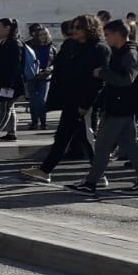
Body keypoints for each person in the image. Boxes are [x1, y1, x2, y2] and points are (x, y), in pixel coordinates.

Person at [24, 16, 110, 184]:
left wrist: (86, 104)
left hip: (85, 100)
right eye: (74, 27)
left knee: (86, 137)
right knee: (64, 136)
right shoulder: (71, 45)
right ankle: (45, 170)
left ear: (89, 29)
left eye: (78, 27)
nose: (74, 30)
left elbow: (98, 81)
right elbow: (60, 64)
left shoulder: (100, 49)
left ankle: (99, 174)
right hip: (70, 98)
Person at [72, 21, 138, 195]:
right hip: (120, 105)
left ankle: (91, 183)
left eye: (108, 34)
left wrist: (102, 73)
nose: (106, 38)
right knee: (129, 145)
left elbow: (126, 79)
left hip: (121, 105)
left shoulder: (130, 53)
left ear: (118, 34)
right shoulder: (121, 52)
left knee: (102, 145)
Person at [26, 25, 56, 129]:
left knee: (42, 100)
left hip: (45, 76)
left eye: (44, 34)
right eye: (40, 35)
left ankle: (43, 122)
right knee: (33, 100)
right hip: (32, 76)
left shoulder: (52, 48)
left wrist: (51, 68)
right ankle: (34, 122)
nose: (42, 37)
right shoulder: (32, 47)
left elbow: (56, 62)